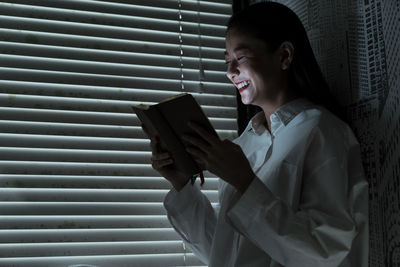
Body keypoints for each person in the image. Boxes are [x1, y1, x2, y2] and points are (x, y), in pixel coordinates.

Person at [144, 2, 368, 266]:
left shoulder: (322, 132)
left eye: (241, 58)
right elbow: (222, 252)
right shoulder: (243, 145)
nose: (230, 72)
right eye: (227, 61)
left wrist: (244, 181)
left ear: (284, 55)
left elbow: (325, 250)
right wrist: (182, 184)